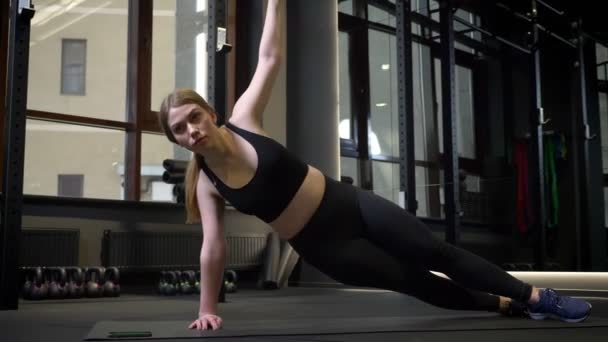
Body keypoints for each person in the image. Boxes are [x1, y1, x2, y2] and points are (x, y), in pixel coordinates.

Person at [157, 0, 592, 331]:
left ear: (209, 113)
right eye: (180, 129)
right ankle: (506, 304)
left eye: (194, 117)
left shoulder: (244, 118)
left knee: (433, 252)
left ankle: (538, 297)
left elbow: (269, 58)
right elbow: (213, 247)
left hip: (349, 203)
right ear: (176, 139)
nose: (191, 130)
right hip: (325, 246)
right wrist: (207, 310)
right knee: (417, 282)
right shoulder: (207, 184)